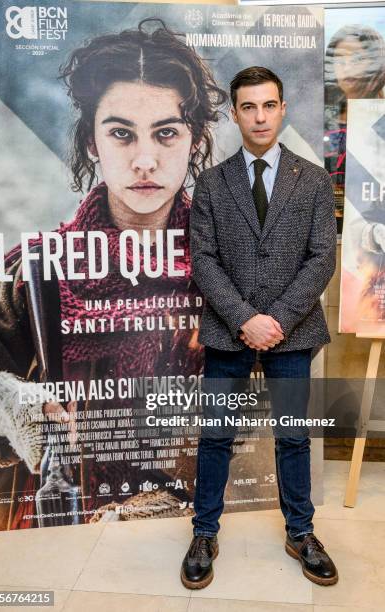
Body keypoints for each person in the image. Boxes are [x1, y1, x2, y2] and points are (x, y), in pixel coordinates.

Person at [0, 19, 228, 531]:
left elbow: (271, 396)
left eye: (166, 133)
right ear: (93, 144)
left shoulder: (227, 265)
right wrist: (0, 400)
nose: (143, 159)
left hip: (199, 525)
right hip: (57, 525)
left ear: (193, 142)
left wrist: (176, 489)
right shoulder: (39, 267)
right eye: (120, 133)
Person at [181, 67, 338, 589]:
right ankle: (204, 534)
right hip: (228, 332)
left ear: (283, 108)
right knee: (215, 436)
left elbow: (321, 259)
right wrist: (245, 318)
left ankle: (302, 533)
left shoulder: (313, 179)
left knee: (293, 437)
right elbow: (203, 260)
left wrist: (278, 320)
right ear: (234, 113)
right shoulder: (210, 181)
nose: (260, 116)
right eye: (248, 107)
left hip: (293, 333)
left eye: (268, 105)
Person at [324, 25, 385, 231]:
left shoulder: (381, 120)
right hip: (328, 224)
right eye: (340, 60)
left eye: (358, 59)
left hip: (372, 226)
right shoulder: (324, 117)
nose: (348, 68)